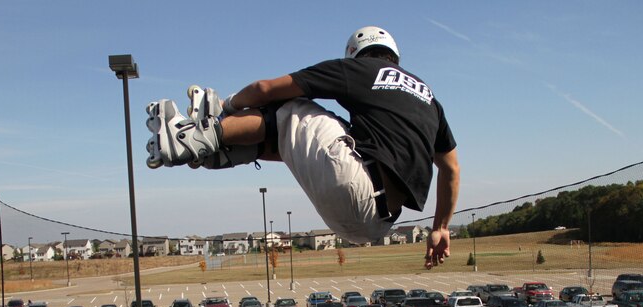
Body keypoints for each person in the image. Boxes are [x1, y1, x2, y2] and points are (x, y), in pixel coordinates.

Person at [145, 25, 460, 265]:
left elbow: (265, 88)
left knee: (290, 107)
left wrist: (229, 106)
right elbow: (450, 170)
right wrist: (440, 227)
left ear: (356, 54)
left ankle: (197, 137)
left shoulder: (359, 70)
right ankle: (224, 149)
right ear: (395, 56)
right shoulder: (430, 100)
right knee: (301, 138)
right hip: (375, 226)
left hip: (357, 189)